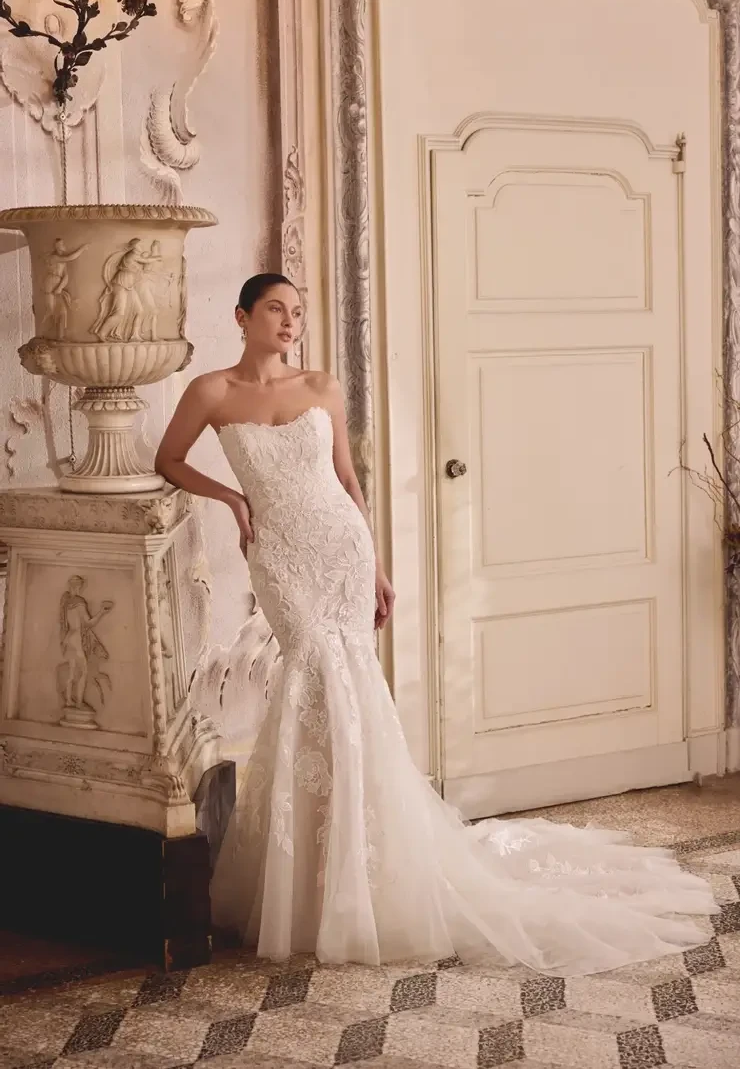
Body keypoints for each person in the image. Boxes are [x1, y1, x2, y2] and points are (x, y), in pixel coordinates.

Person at [155, 273, 718, 975]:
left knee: (349, 685)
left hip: (338, 548)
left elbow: (347, 481)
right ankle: (310, 871)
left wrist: (378, 567)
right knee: (309, 677)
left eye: (298, 311)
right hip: (280, 557)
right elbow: (167, 459)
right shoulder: (212, 392)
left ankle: (356, 866)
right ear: (242, 316)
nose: (291, 321)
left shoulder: (322, 387)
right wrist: (232, 499)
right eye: (276, 309)